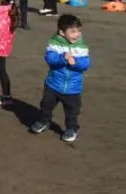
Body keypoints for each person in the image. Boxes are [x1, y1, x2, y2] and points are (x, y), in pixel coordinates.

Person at [30, 14, 90, 142]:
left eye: (78, 31)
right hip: (53, 84)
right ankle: (44, 121)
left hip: (73, 87)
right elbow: (50, 59)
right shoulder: (54, 43)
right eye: (72, 31)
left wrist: (76, 62)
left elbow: (86, 63)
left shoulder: (82, 47)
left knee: (72, 111)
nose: (77, 34)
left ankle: (71, 129)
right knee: (46, 104)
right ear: (62, 32)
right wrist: (63, 58)